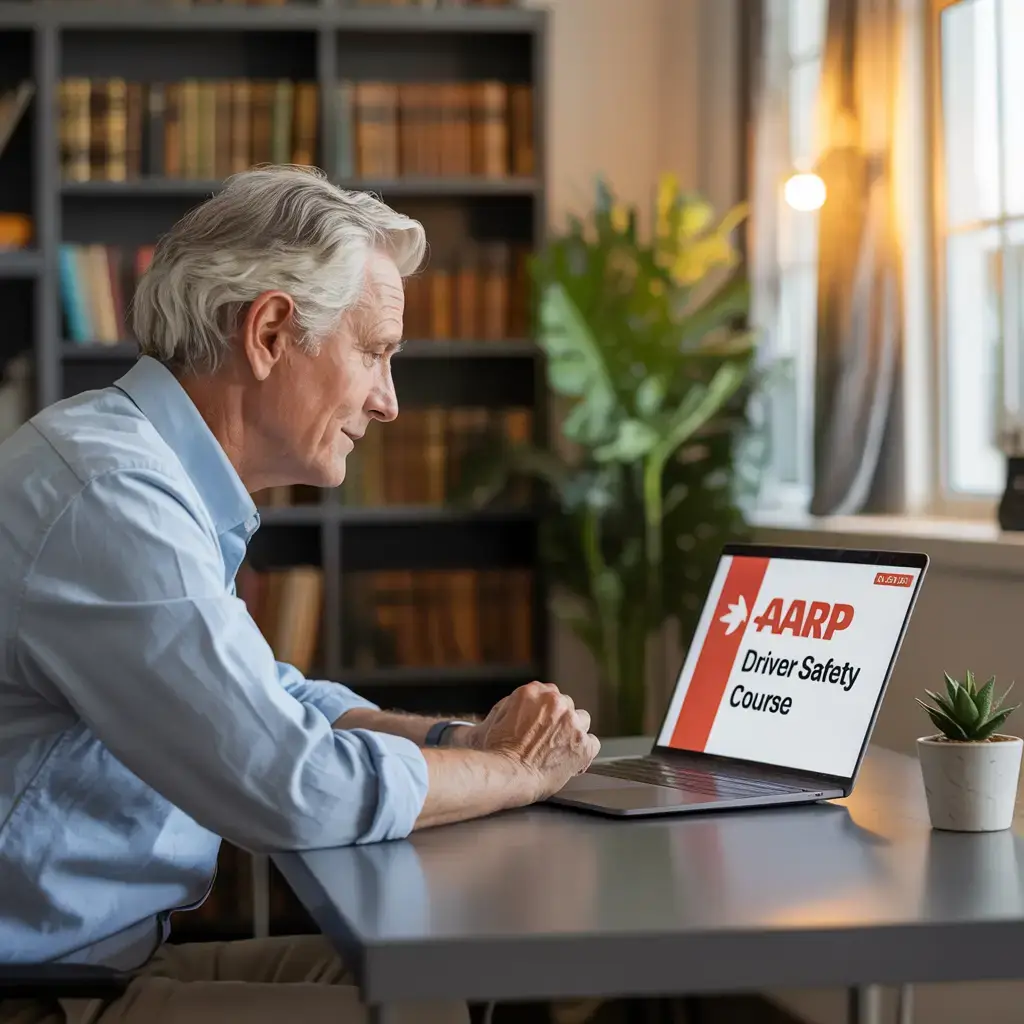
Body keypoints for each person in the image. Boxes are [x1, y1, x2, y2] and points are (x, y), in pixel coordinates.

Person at [0, 165, 601, 1024]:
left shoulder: (140, 470)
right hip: (39, 994)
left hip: (98, 964)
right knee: (422, 1008)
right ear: (273, 331)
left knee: (434, 975)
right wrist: (510, 770)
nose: (388, 403)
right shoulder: (110, 495)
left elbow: (275, 698)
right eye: (376, 353)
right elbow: (295, 788)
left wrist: (456, 739)